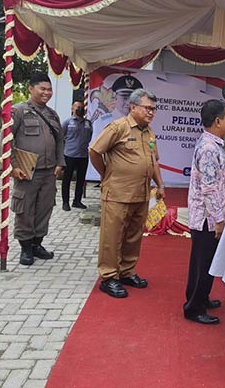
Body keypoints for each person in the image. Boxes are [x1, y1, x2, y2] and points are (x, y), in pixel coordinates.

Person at [89, 88, 165, 298]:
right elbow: (95, 151)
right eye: (147, 108)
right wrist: (106, 175)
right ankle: (109, 277)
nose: (151, 112)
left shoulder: (149, 132)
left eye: (153, 109)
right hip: (117, 193)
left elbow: (153, 161)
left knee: (133, 236)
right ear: (133, 107)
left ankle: (126, 272)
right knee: (112, 237)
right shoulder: (118, 127)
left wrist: (160, 185)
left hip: (141, 193)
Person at [183, 100, 225, 325]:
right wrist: (219, 220)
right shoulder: (210, 148)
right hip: (207, 218)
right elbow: (210, 189)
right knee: (203, 263)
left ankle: (200, 297)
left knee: (204, 261)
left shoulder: (211, 143)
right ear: (218, 121)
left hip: (208, 216)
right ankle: (194, 308)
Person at [11, 73, 65, 266]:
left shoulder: (52, 114)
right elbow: (7, 141)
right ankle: (25, 248)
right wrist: (13, 167)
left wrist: (60, 162)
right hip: (26, 171)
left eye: (49, 89)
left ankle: (37, 244)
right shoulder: (17, 111)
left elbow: (60, 141)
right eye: (42, 88)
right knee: (25, 209)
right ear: (30, 88)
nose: (47, 93)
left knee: (44, 209)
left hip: (49, 172)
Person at [61, 100, 93, 211]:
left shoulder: (88, 123)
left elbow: (89, 136)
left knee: (81, 179)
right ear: (72, 108)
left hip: (83, 155)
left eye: (81, 107)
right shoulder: (67, 122)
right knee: (67, 179)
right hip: (69, 155)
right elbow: (60, 138)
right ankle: (65, 203)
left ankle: (77, 201)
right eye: (77, 107)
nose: (80, 109)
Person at [91, 74, 142, 139]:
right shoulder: (106, 121)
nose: (128, 102)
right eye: (125, 97)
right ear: (115, 97)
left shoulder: (141, 122)